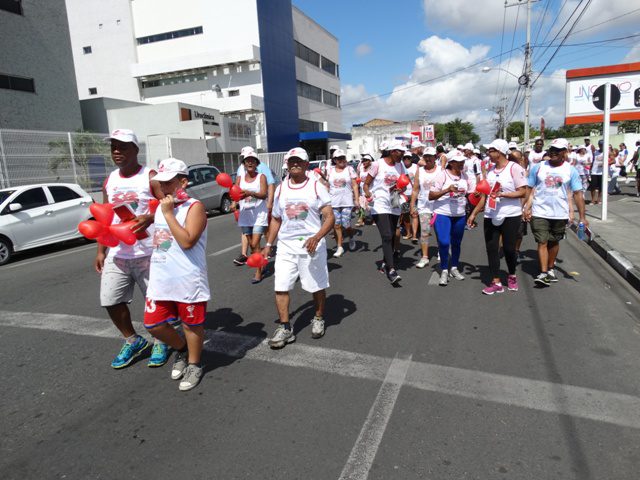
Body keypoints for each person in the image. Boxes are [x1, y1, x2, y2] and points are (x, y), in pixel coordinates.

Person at [96, 129, 168, 369]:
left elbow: (170, 206)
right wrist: (101, 251)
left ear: (136, 150)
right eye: (113, 147)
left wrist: (149, 217)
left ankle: (161, 340)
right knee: (110, 300)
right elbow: (105, 218)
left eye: (123, 146)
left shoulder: (151, 176)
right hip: (118, 253)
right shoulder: (110, 180)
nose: (117, 151)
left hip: (148, 251)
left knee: (156, 301)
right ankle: (133, 340)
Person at [143, 158, 209, 391]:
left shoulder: (195, 206)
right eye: (161, 183)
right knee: (153, 324)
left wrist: (169, 214)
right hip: (161, 278)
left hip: (188, 279)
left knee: (192, 325)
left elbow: (188, 240)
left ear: (183, 181)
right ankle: (181, 350)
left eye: (169, 182)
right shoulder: (162, 207)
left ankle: (194, 364)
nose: (163, 188)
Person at [262, 147, 334, 348]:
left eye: (299, 161)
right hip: (286, 246)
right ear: (287, 164)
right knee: (281, 286)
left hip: (310, 246)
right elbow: (276, 219)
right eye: (291, 161)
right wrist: (269, 244)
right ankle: (285, 328)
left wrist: (317, 236)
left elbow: (329, 217)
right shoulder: (280, 188)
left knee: (316, 286)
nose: (295, 164)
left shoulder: (316, 186)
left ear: (305, 164)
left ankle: (319, 317)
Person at [523, 138, 588, 287]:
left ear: (565, 152)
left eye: (558, 150)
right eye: (552, 149)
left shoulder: (570, 170)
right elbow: (529, 188)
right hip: (540, 211)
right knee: (542, 241)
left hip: (560, 213)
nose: (554, 152)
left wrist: (582, 217)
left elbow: (577, 193)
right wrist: (525, 207)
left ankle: (550, 267)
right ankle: (544, 273)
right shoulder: (538, 168)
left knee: (554, 241)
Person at [468, 139, 527, 295]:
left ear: (500, 152)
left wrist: (503, 194)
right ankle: (496, 282)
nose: (488, 153)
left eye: (491, 150)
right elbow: (485, 196)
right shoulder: (491, 170)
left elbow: (523, 191)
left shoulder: (514, 168)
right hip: (490, 213)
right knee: (491, 248)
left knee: (508, 248)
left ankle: (512, 275)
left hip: (510, 214)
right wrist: (473, 213)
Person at [429, 150, 476, 286]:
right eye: (458, 161)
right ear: (451, 163)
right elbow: (431, 196)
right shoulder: (442, 176)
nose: (461, 163)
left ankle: (454, 268)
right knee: (444, 242)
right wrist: (447, 190)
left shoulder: (466, 177)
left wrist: (476, 196)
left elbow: (471, 196)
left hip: (460, 214)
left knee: (456, 243)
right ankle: (444, 269)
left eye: (462, 161)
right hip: (442, 213)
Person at [363, 140, 408, 284]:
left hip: (394, 202)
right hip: (379, 204)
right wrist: (368, 194)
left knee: (392, 235)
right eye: (400, 152)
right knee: (387, 235)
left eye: (403, 153)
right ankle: (392, 270)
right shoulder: (377, 164)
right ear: (392, 151)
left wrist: (401, 189)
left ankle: (384, 261)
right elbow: (366, 184)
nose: (402, 155)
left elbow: (405, 184)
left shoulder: (400, 165)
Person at [233, 146, 276, 266]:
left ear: (257, 162)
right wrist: (233, 202)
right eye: (247, 160)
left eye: (252, 160)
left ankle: (265, 255)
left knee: (255, 242)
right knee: (254, 245)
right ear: (243, 162)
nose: (249, 162)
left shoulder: (262, 173)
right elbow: (235, 192)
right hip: (245, 215)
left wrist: (270, 202)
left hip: (259, 214)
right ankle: (260, 264)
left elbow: (268, 188)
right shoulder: (240, 174)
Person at [324, 148, 359, 257]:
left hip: (347, 201)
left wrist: (356, 199)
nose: (341, 160)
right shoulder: (330, 170)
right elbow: (327, 186)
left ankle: (351, 236)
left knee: (346, 224)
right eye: (338, 158)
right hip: (333, 202)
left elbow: (354, 185)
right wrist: (324, 201)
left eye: (343, 158)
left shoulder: (349, 169)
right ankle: (340, 247)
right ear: (334, 160)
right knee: (337, 225)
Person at [410, 147, 440, 268]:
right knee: (424, 232)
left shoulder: (441, 170)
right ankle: (424, 257)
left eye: (430, 156)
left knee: (439, 232)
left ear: (435, 157)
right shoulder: (420, 171)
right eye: (426, 156)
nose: (428, 158)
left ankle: (441, 251)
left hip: (439, 206)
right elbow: (415, 189)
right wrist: (413, 206)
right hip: (424, 205)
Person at [400, 150, 419, 242]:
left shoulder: (416, 167)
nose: (406, 159)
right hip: (403, 195)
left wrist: (416, 193)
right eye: (405, 158)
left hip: (413, 194)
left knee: (414, 214)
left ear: (412, 159)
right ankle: (409, 233)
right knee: (406, 214)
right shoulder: (400, 167)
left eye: (408, 158)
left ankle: (415, 235)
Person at [355, 153, 374, 226]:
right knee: (361, 203)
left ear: (370, 161)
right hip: (362, 187)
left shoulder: (373, 168)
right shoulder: (361, 167)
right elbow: (357, 175)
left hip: (371, 188)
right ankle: (361, 219)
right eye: (363, 160)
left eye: (366, 160)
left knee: (371, 205)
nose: (364, 162)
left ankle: (373, 218)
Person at [588, 140, 605, 205]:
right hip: (594, 171)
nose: (601, 146)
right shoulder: (595, 152)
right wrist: (590, 169)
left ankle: (599, 199)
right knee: (593, 186)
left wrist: (605, 164)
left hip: (602, 172)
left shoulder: (606, 153)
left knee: (601, 186)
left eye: (602, 145)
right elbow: (592, 161)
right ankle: (592, 200)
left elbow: (613, 161)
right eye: (600, 145)